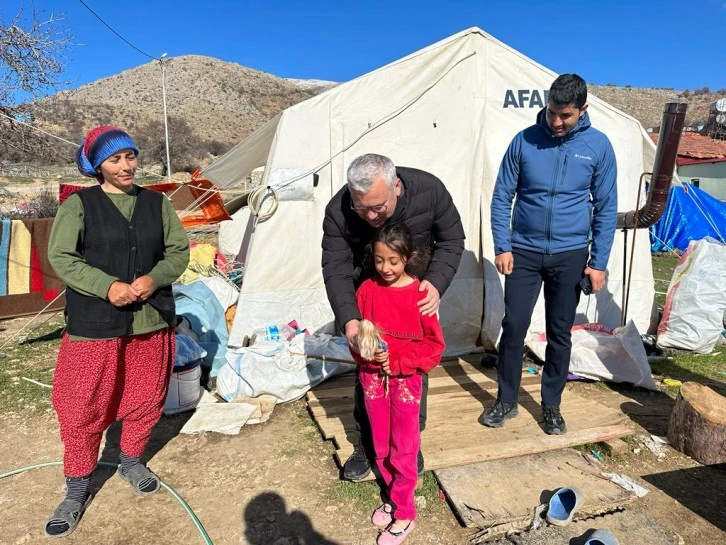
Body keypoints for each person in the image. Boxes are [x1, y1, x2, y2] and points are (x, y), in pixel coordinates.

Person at [45, 125, 190, 537]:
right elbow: (62, 256)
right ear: (97, 165)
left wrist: (154, 277)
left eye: (130, 156)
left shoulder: (156, 203)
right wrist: (107, 286)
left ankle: (130, 460)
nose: (126, 166)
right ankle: (76, 488)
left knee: (145, 397)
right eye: (115, 159)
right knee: (81, 405)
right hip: (95, 325)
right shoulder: (79, 205)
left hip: (149, 320)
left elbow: (177, 251)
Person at [481, 74, 617, 434]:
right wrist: (503, 245)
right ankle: (506, 400)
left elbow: (606, 207)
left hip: (570, 254)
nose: (556, 122)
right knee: (513, 328)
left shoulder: (598, 146)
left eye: (566, 115)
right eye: (552, 112)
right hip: (523, 251)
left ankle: (552, 406)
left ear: (583, 110)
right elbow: (501, 197)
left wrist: (598, 262)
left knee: (560, 333)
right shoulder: (524, 141)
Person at [322, 153, 464, 481]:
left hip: (413, 296)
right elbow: (336, 268)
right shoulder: (338, 210)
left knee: (412, 368)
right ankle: (367, 443)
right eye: (362, 209)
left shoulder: (430, 192)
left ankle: (409, 442)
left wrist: (436, 283)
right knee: (369, 369)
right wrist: (351, 321)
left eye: (378, 207)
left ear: (396, 186)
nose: (371, 216)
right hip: (368, 298)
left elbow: (452, 240)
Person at [351, 222, 445, 545]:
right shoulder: (366, 291)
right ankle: (393, 496)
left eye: (393, 261)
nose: (386, 268)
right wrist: (366, 354)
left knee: (404, 448)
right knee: (379, 444)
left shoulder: (420, 296)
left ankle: (405, 513)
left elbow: (434, 348)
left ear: (409, 257)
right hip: (373, 381)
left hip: (406, 384)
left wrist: (401, 362)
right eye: (379, 260)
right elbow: (357, 338)